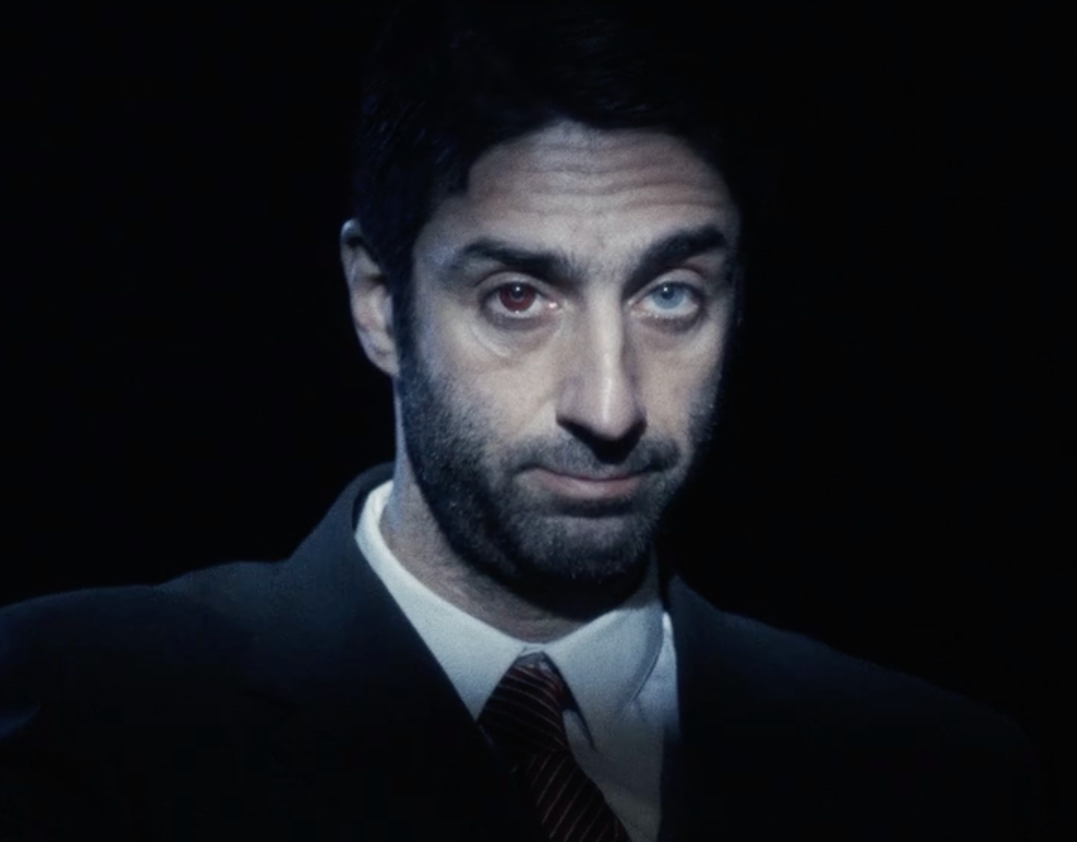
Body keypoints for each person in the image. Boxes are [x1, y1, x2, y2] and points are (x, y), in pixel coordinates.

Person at [0, 1, 1043, 839]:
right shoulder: (84, 710)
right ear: (379, 302)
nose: (610, 405)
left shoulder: (940, 777)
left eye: (670, 294)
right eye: (517, 297)